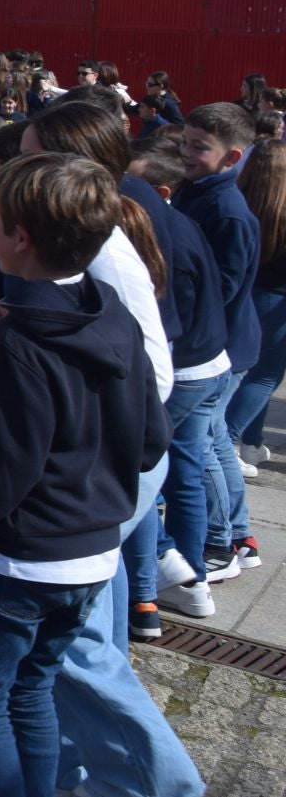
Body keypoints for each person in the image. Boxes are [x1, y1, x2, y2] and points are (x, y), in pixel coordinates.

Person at [0, 154, 168, 797]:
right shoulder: (109, 313)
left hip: (26, 560)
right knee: (34, 687)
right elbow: (153, 440)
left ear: (18, 238)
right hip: (97, 550)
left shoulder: (18, 349)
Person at [172, 104, 260, 579]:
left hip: (218, 345)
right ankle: (239, 532)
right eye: (184, 142)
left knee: (201, 444)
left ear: (232, 158)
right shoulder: (198, 191)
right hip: (218, 342)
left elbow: (220, 289)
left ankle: (220, 542)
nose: (185, 154)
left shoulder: (226, 212)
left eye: (198, 148)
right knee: (216, 440)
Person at [234, 139, 286, 469]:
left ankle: (251, 442)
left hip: (246, 293)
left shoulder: (239, 200)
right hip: (275, 297)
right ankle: (229, 435)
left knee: (250, 370)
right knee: (265, 375)